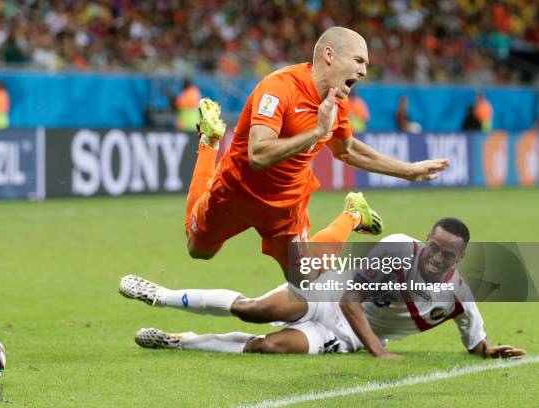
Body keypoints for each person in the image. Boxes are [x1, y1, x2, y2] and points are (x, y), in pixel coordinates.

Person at [186, 26, 448, 276]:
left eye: (365, 64)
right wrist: (315, 132)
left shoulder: (338, 104)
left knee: (307, 278)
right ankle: (209, 141)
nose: (364, 71)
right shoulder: (279, 88)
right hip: (236, 191)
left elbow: (346, 150)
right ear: (330, 55)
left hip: (286, 207)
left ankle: (354, 214)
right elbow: (258, 155)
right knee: (198, 250)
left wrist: (409, 171)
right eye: (358, 60)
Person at [120, 218, 526, 360]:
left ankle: (180, 342)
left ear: (460, 258)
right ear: (425, 240)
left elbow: (476, 340)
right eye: (433, 246)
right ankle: (161, 295)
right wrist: (379, 350)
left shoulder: (458, 296)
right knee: (254, 309)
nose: (435, 256)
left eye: (447, 254)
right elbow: (351, 299)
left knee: (269, 347)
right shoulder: (400, 248)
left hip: (343, 336)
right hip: (329, 293)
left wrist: (490, 351)